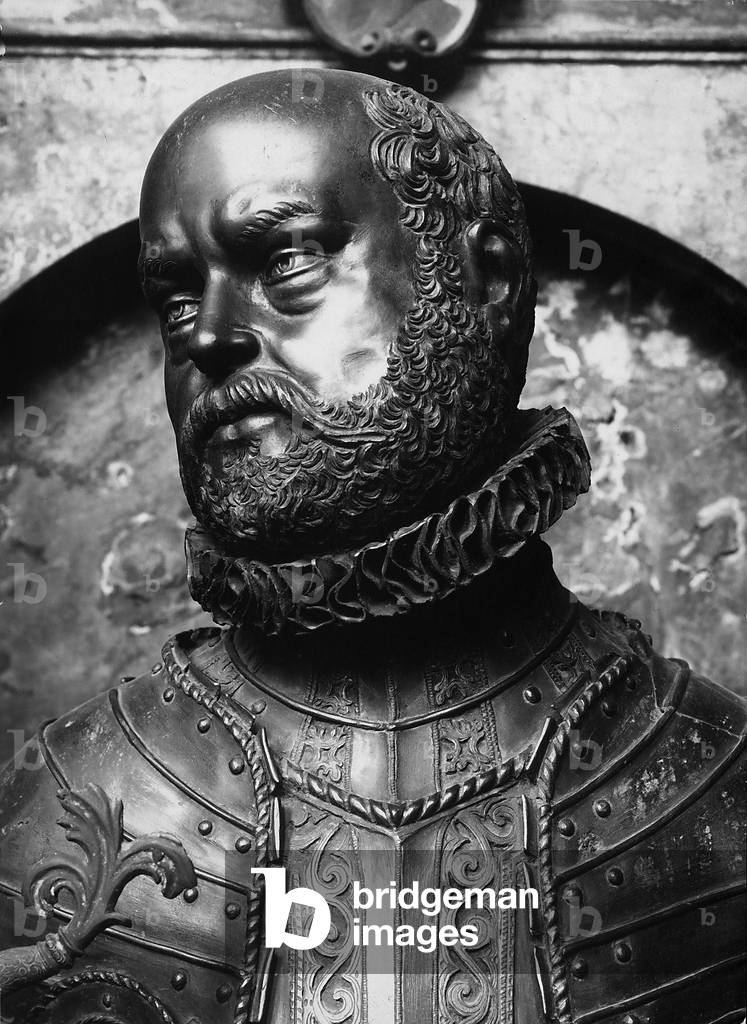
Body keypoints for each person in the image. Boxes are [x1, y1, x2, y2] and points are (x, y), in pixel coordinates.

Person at [1, 69, 744, 1024]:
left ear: (484, 276)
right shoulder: (72, 798)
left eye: (287, 262)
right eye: (178, 302)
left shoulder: (710, 778)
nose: (215, 338)